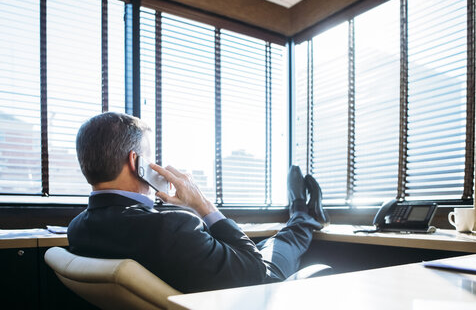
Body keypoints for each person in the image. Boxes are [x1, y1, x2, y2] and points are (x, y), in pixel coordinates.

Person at [67, 112, 329, 293]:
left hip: (212, 274)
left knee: (269, 242)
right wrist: (202, 203)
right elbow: (257, 271)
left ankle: (300, 215)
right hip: (254, 288)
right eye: (150, 157)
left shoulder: (78, 228)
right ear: (136, 163)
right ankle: (302, 217)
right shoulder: (169, 227)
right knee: (283, 242)